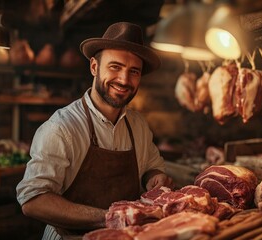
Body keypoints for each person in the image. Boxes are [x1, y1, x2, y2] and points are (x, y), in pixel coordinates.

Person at [16, 22, 174, 240]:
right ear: (94, 67)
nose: (124, 80)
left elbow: (151, 167)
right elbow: (33, 201)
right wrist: (110, 217)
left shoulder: (137, 125)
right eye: (115, 67)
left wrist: (154, 177)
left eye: (134, 71)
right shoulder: (62, 127)